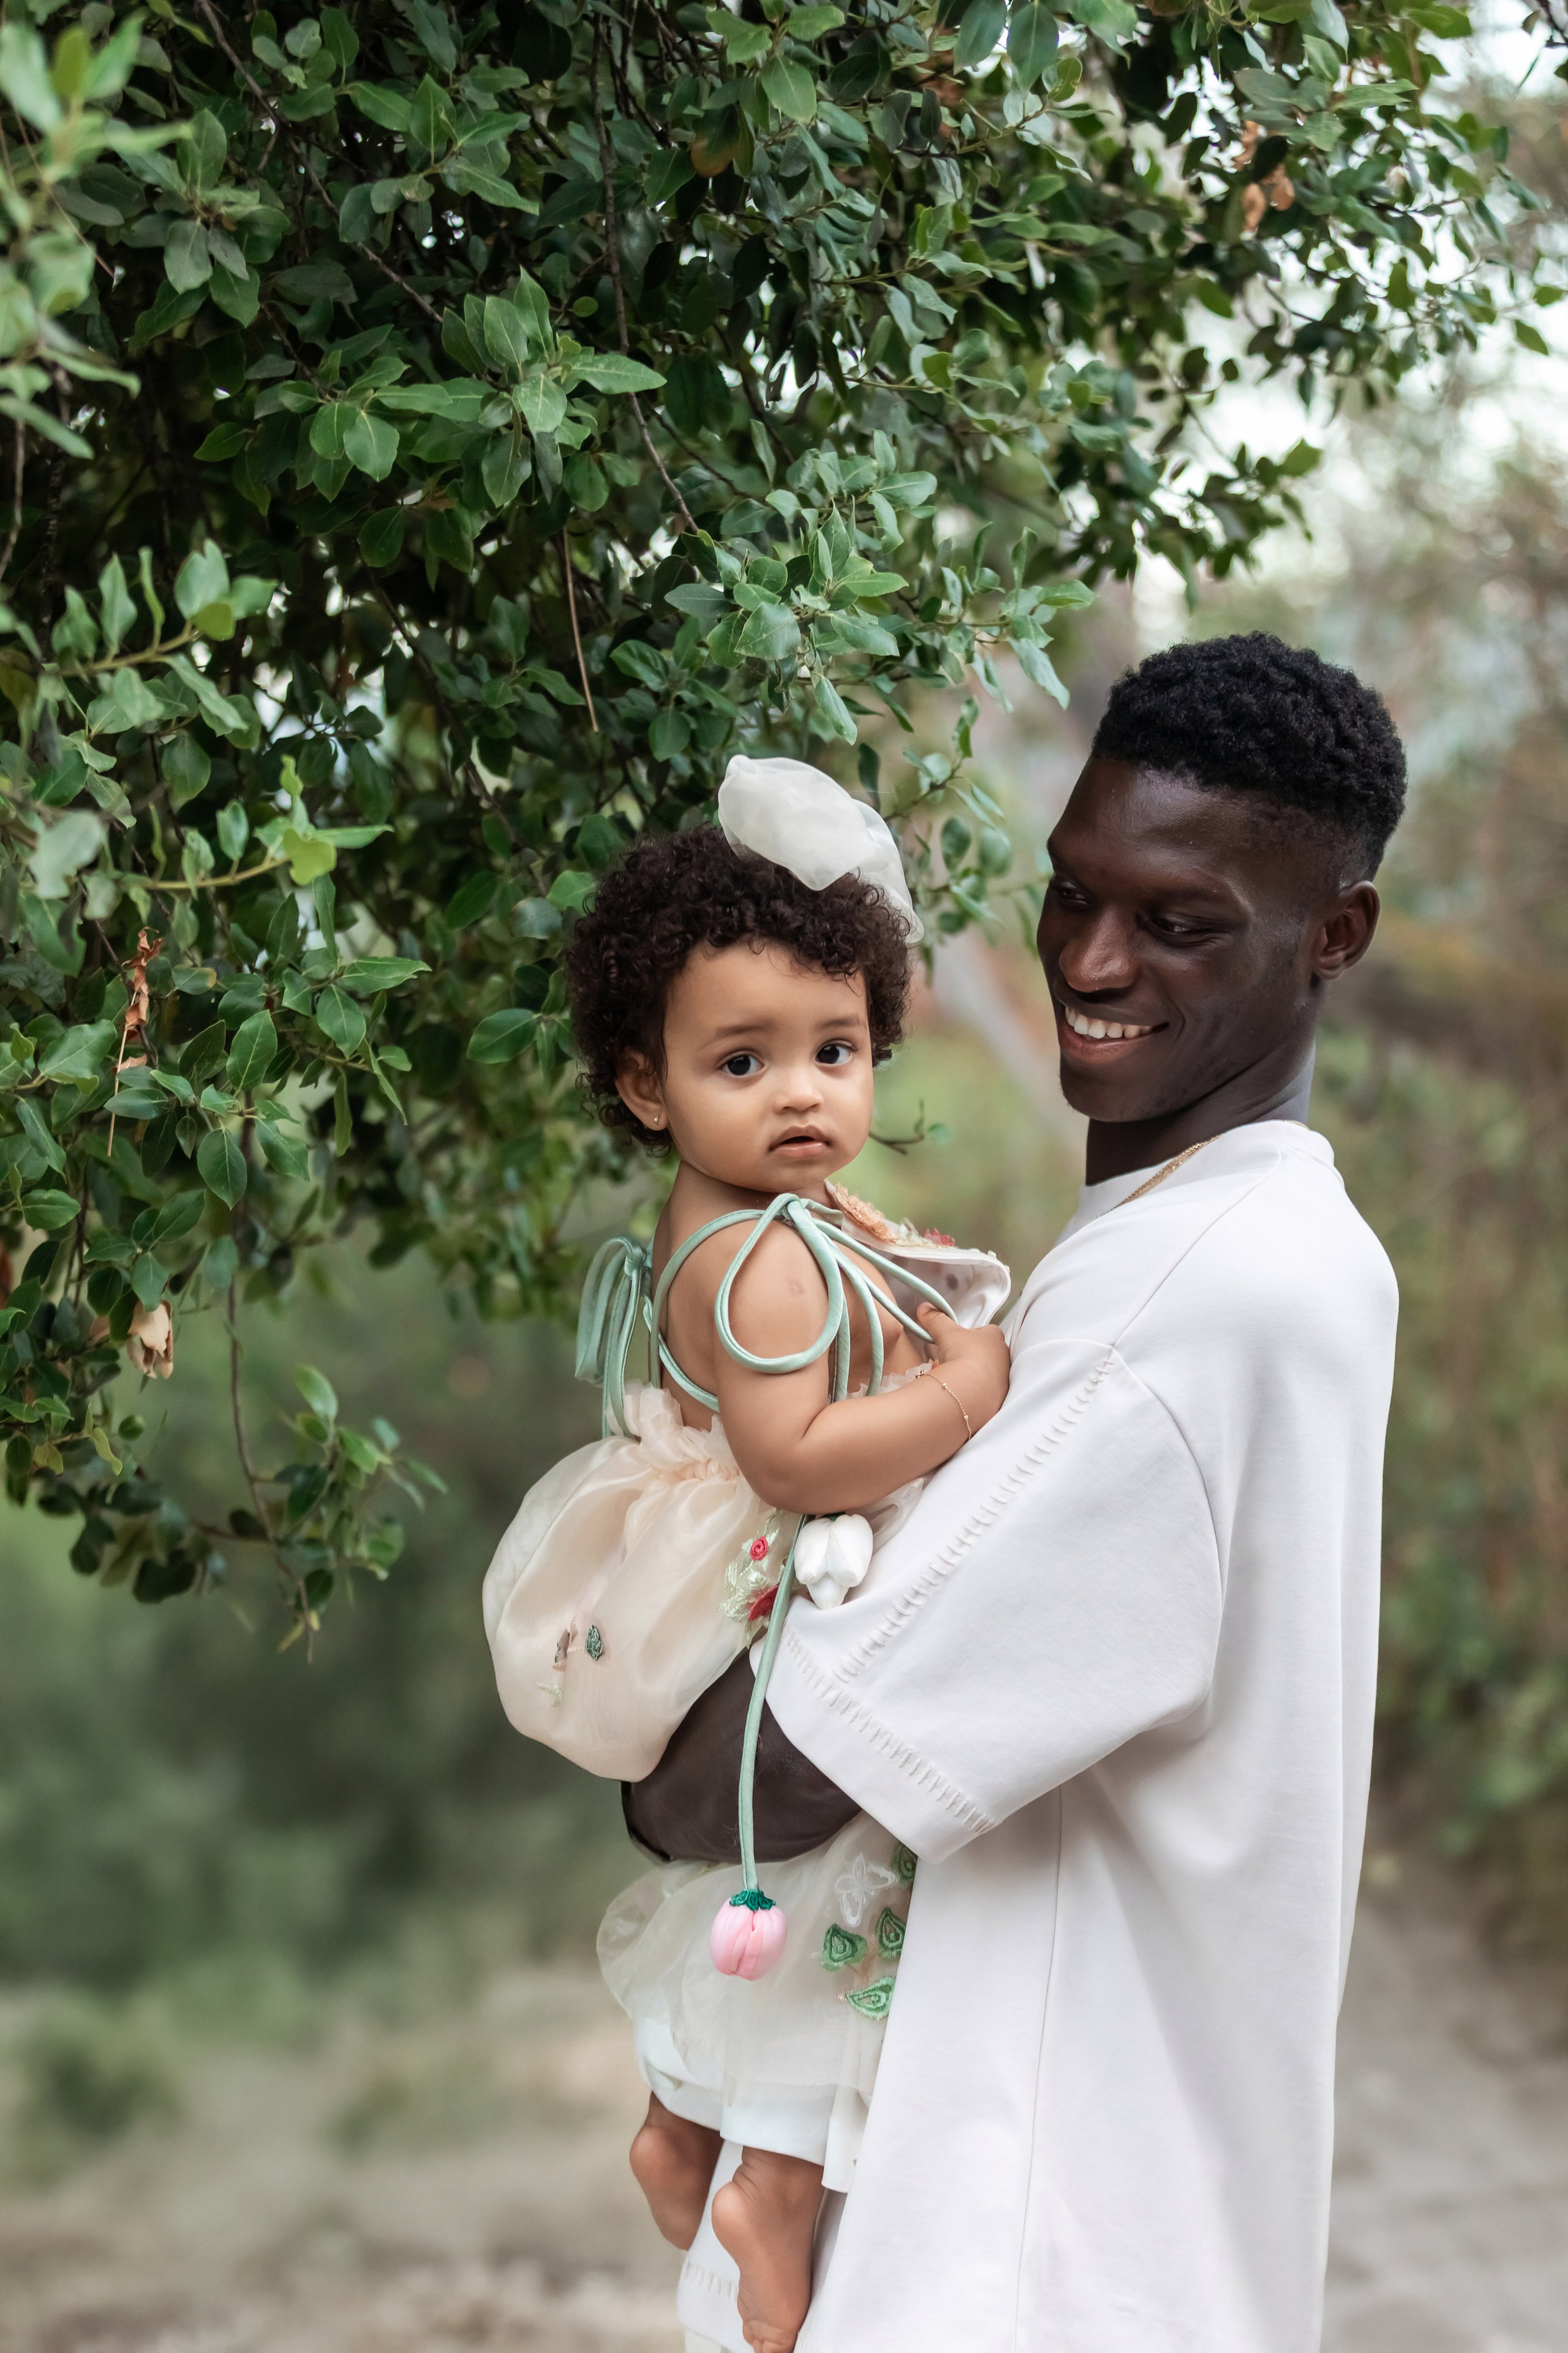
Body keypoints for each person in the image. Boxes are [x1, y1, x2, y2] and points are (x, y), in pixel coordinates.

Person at [625, 633, 1406, 2353]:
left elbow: (757, 1779)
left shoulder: (1190, 1303)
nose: (1094, 959)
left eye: (1181, 920)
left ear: (1333, 934)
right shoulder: (1285, 1251)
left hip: (1007, 2261)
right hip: (1130, 2245)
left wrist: (627, 1702)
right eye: (1074, 893)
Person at [481, 758, 1011, 2353]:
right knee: (854, 1850)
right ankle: (772, 2182)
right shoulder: (758, 1257)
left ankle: (680, 2117)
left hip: (748, 1564)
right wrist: (958, 1388)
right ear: (649, 1087)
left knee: (777, 1875)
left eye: (835, 1049)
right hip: (767, 1585)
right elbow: (791, 1453)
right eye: (746, 1060)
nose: (803, 1093)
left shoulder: (744, 1209)